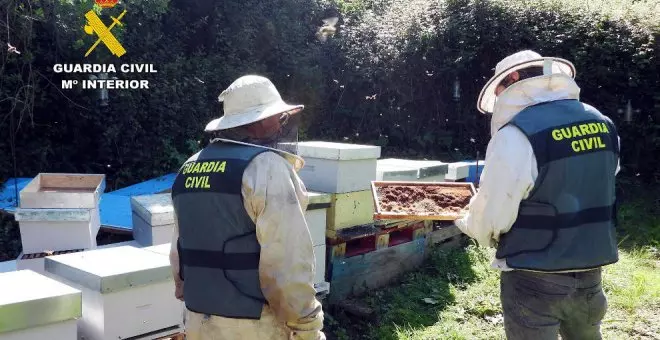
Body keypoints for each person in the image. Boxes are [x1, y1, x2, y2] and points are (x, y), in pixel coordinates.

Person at [455, 50, 621, 340]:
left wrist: (467, 222)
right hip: (591, 271)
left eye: (500, 90)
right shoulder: (603, 123)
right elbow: (600, 178)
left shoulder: (518, 134)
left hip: (534, 277)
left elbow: (494, 214)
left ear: (514, 79)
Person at [168, 75, 326, 340]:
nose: (280, 123)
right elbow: (287, 260)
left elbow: (179, 250)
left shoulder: (190, 166)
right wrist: (307, 327)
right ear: (260, 120)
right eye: (278, 117)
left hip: (198, 321)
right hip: (254, 326)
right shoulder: (267, 167)